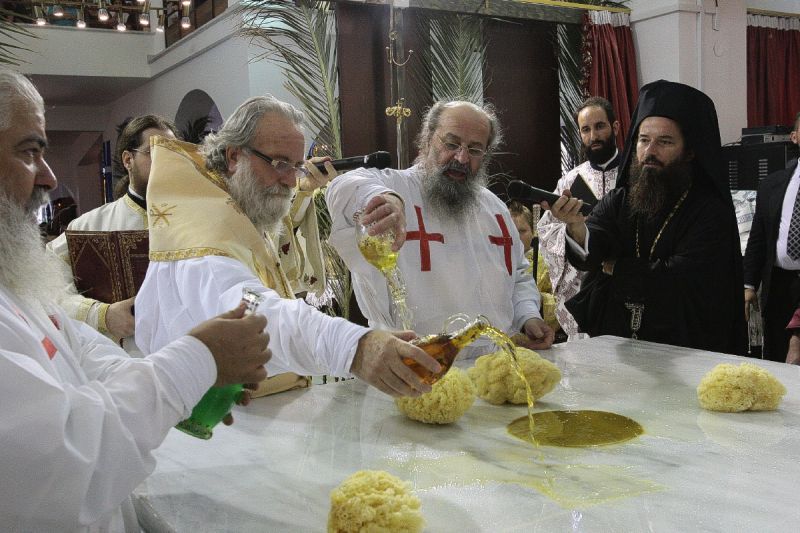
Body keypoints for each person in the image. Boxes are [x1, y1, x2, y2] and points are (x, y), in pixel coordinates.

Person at [0, 68, 271, 530]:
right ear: (127, 160)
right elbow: (67, 468)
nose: (48, 176)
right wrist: (186, 359)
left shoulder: (11, 280)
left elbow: (76, 350)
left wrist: (189, 380)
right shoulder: (89, 225)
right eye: (29, 152)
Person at [135, 95, 440, 398]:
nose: (291, 181)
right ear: (233, 157)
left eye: (297, 166)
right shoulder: (204, 228)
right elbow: (252, 318)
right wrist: (355, 347)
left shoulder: (241, 205)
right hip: (215, 422)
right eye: (280, 163)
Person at [326, 100, 554, 358]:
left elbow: (518, 274)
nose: (461, 158)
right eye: (451, 143)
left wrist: (528, 316)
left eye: (475, 149)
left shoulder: (495, 209)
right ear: (426, 140)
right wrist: (385, 198)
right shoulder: (395, 185)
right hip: (408, 362)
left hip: (491, 362)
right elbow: (341, 188)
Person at [544, 80, 746, 355]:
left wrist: (615, 268)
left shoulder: (709, 211)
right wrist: (577, 226)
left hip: (684, 348)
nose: (650, 152)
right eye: (643, 140)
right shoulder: (623, 199)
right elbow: (594, 244)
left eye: (664, 142)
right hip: (623, 343)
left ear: (689, 151)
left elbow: (677, 280)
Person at [47, 115, 178, 354]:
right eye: (154, 152)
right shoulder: (88, 227)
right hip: (122, 363)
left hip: (190, 360)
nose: (166, 161)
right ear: (128, 159)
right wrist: (103, 315)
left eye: (172, 152)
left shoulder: (199, 222)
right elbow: (49, 292)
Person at [538, 96, 621, 339]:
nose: (593, 136)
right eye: (586, 129)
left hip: (622, 280)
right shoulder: (568, 181)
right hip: (582, 286)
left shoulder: (633, 172)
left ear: (614, 127)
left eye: (600, 126)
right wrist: (572, 230)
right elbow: (546, 231)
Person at [742, 111, 800, 362]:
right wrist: (748, 285)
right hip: (779, 285)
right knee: (777, 356)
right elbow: (758, 239)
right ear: (795, 137)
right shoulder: (772, 185)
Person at [508, 201, 560, 336]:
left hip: (534, 334)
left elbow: (563, 305)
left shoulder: (549, 263)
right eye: (511, 231)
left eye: (522, 231)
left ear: (533, 231)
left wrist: (541, 300)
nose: (516, 237)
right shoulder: (497, 261)